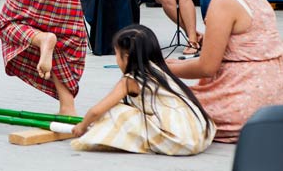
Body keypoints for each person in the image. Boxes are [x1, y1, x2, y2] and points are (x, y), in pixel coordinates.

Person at [167, 0, 283, 143]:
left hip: (242, 103)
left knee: (151, 100)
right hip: (271, 102)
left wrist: (161, 66)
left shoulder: (224, 1)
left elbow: (206, 67)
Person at [71, 24, 215, 154]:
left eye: (116, 53)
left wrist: (82, 126)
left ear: (126, 57)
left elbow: (96, 111)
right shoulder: (159, 68)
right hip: (201, 131)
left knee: (115, 112)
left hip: (181, 140)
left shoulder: (131, 80)